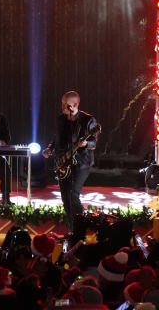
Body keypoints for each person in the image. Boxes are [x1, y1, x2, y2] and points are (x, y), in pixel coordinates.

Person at [42, 91, 100, 229]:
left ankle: (81, 228)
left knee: (73, 194)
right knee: (64, 197)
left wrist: (85, 144)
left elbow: (94, 142)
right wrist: (49, 149)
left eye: (65, 104)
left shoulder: (88, 120)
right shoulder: (61, 119)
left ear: (75, 105)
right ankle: (72, 227)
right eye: (62, 103)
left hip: (81, 162)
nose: (62, 106)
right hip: (63, 160)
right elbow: (56, 138)